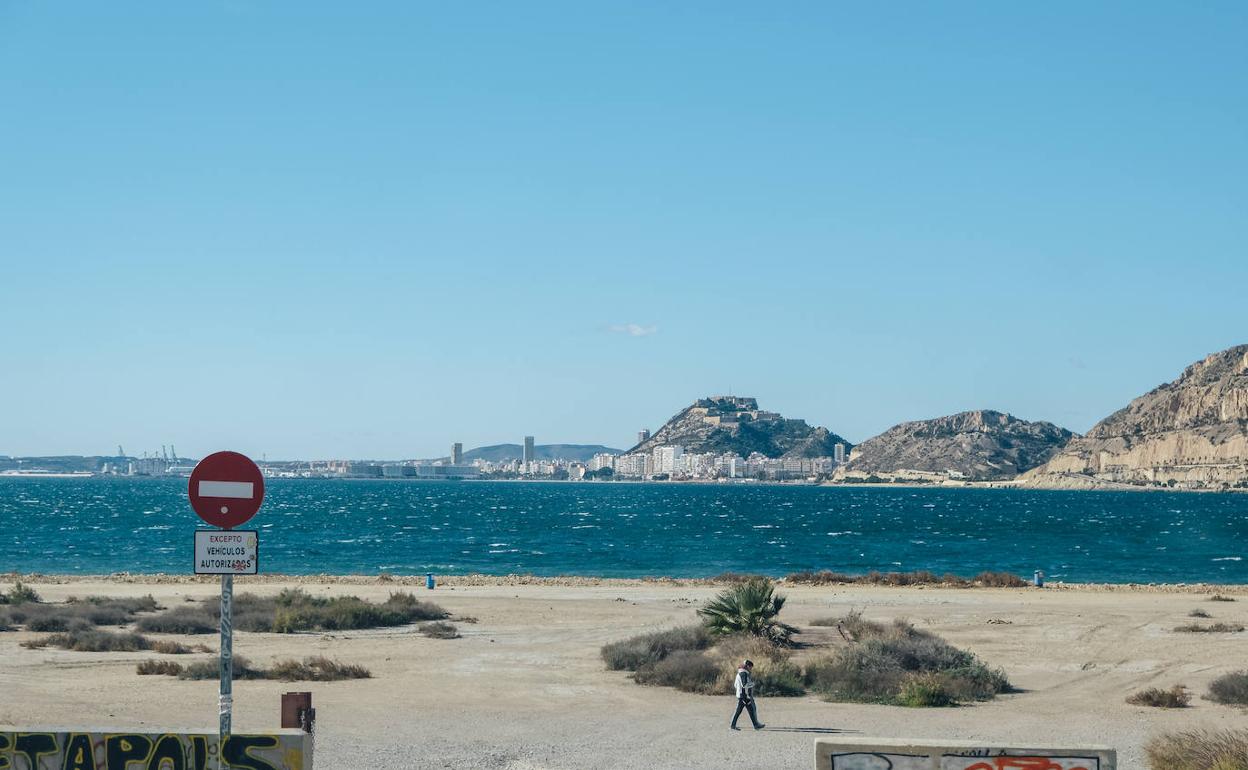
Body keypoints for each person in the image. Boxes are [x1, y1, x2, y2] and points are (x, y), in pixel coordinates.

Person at [730, 659, 764, 730]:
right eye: (751, 667)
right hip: (744, 696)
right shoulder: (744, 673)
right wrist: (752, 684)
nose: (751, 669)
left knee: (740, 711)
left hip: (742, 695)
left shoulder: (740, 673)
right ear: (748, 666)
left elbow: (735, 685)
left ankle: (733, 725)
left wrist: (739, 691)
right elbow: (744, 684)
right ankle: (756, 725)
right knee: (750, 710)